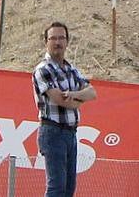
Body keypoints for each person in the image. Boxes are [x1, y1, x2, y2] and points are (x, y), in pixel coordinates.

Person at [33, 21, 97, 197]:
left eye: (61, 38)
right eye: (53, 38)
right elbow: (60, 100)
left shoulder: (71, 69)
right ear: (46, 41)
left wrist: (73, 95)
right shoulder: (43, 69)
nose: (57, 42)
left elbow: (92, 93)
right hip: (52, 131)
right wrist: (78, 98)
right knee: (57, 187)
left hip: (71, 133)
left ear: (67, 41)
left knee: (69, 188)